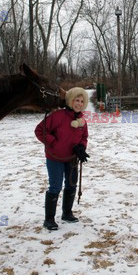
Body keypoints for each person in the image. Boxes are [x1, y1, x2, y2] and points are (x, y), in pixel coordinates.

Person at [35, 87, 90, 230]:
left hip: (71, 158)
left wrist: (81, 147)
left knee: (71, 185)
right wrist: (53, 142)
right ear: (70, 100)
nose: (78, 103)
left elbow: (84, 137)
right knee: (55, 186)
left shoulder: (82, 121)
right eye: (76, 100)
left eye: (81, 101)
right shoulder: (57, 116)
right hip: (55, 158)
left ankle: (67, 213)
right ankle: (49, 219)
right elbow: (40, 130)